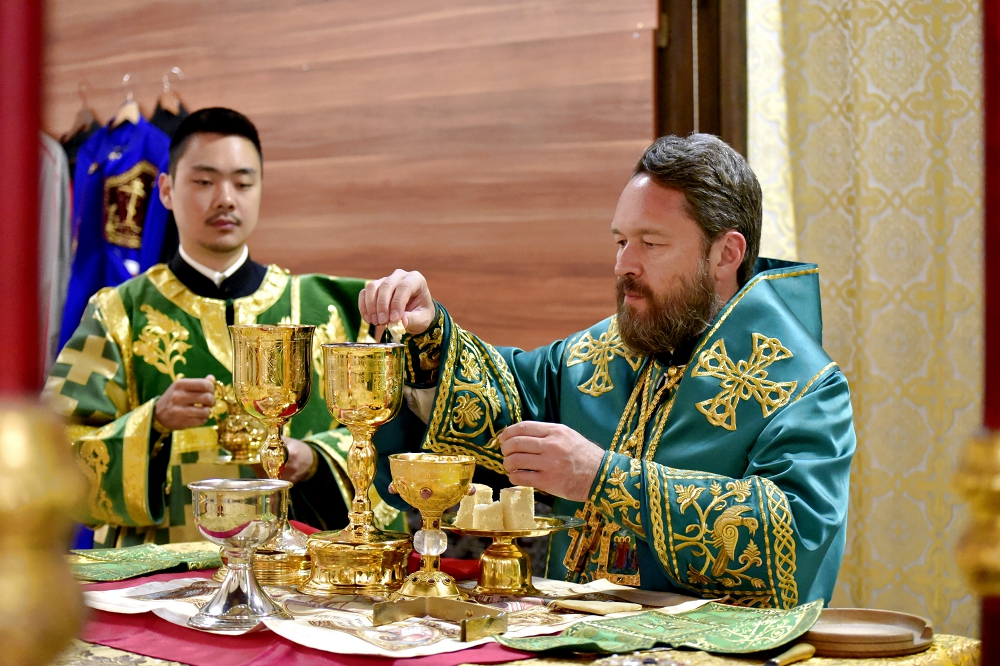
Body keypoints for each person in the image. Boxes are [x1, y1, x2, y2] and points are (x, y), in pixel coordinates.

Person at [364, 134, 855, 608]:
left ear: (726, 254)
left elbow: (794, 537)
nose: (624, 264)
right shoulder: (603, 351)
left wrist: (603, 479)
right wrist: (430, 337)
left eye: (651, 243)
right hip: (568, 638)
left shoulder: (805, 387)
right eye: (621, 241)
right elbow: (508, 399)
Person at [45, 107, 402, 547]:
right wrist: (152, 424)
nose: (225, 199)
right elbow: (51, 453)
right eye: (204, 181)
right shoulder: (119, 312)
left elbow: (394, 440)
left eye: (243, 183)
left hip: (298, 573)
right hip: (162, 572)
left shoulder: (333, 309)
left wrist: (315, 460)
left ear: (260, 190)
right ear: (166, 190)